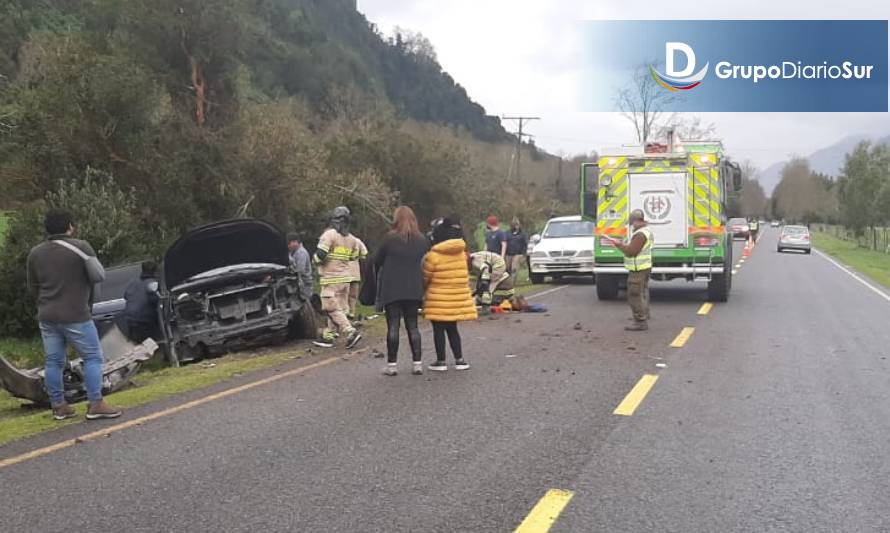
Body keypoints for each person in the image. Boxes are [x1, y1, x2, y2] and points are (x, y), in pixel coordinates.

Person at [26, 209, 121, 421]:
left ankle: (59, 406)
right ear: (70, 226)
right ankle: (96, 403)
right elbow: (98, 275)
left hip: (47, 315)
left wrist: (45, 302)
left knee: (53, 362)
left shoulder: (35, 253)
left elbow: (32, 287)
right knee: (93, 357)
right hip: (76, 313)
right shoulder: (81, 247)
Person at [373, 206, 430, 376]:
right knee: (413, 326)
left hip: (392, 288)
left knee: (393, 326)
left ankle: (392, 366)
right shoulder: (422, 240)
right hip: (413, 288)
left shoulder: (389, 239)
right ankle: (417, 364)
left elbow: (377, 260)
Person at [423, 215, 477, 371]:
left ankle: (441, 361)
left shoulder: (433, 256)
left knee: (438, 330)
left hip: (437, 299)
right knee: (453, 328)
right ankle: (460, 359)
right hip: (456, 298)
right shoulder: (461, 254)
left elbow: (426, 277)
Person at [313, 207, 362, 349]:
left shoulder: (329, 235)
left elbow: (321, 254)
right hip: (345, 279)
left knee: (330, 308)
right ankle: (329, 336)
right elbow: (354, 257)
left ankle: (350, 332)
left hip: (331, 279)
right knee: (337, 309)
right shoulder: (352, 239)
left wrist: (314, 260)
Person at [608, 209, 653, 331]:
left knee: (634, 294)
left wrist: (619, 245)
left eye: (632, 223)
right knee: (642, 292)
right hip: (643, 267)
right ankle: (644, 314)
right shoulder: (645, 232)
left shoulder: (640, 234)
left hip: (638, 269)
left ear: (637, 221)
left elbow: (631, 252)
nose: (632, 225)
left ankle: (640, 321)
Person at [123, 261, 160, 343]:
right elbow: (156, 300)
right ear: (155, 271)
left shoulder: (133, 282)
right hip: (144, 320)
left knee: (138, 345)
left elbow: (126, 296)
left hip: (130, 319)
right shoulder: (153, 283)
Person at [287, 232, 314, 300]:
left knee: (305, 303)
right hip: (301, 284)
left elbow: (300, 270)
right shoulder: (294, 252)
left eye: (289, 244)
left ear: (295, 242)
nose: (288, 246)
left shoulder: (301, 252)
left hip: (304, 284)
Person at [347, 236, 368, 320]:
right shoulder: (357, 241)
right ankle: (352, 312)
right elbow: (364, 253)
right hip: (355, 272)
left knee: (344, 294)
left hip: (343, 272)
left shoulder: (340, 240)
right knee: (353, 295)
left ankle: (346, 311)